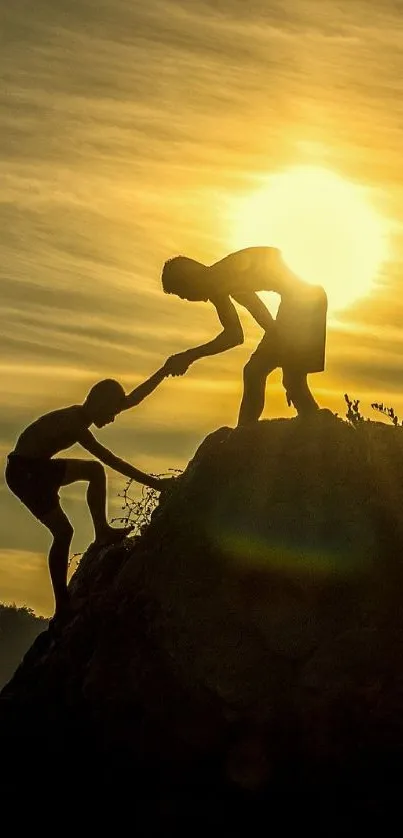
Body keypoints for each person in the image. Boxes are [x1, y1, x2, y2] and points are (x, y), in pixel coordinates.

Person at [5, 368, 171, 621]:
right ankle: (63, 606)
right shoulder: (75, 424)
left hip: (34, 467)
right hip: (26, 472)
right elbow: (112, 460)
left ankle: (102, 531)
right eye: (112, 412)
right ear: (99, 404)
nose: (113, 419)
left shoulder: (85, 415)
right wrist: (155, 484)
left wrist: (164, 371)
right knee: (64, 532)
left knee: (93, 472)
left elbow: (133, 399)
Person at [161, 246, 328, 424]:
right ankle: (248, 433)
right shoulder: (220, 285)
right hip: (300, 304)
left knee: (274, 376)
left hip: (305, 303)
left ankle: (248, 433)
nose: (187, 299)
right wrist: (279, 343)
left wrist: (189, 356)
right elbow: (240, 331)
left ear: (190, 279)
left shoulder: (222, 277)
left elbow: (235, 334)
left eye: (183, 293)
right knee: (265, 374)